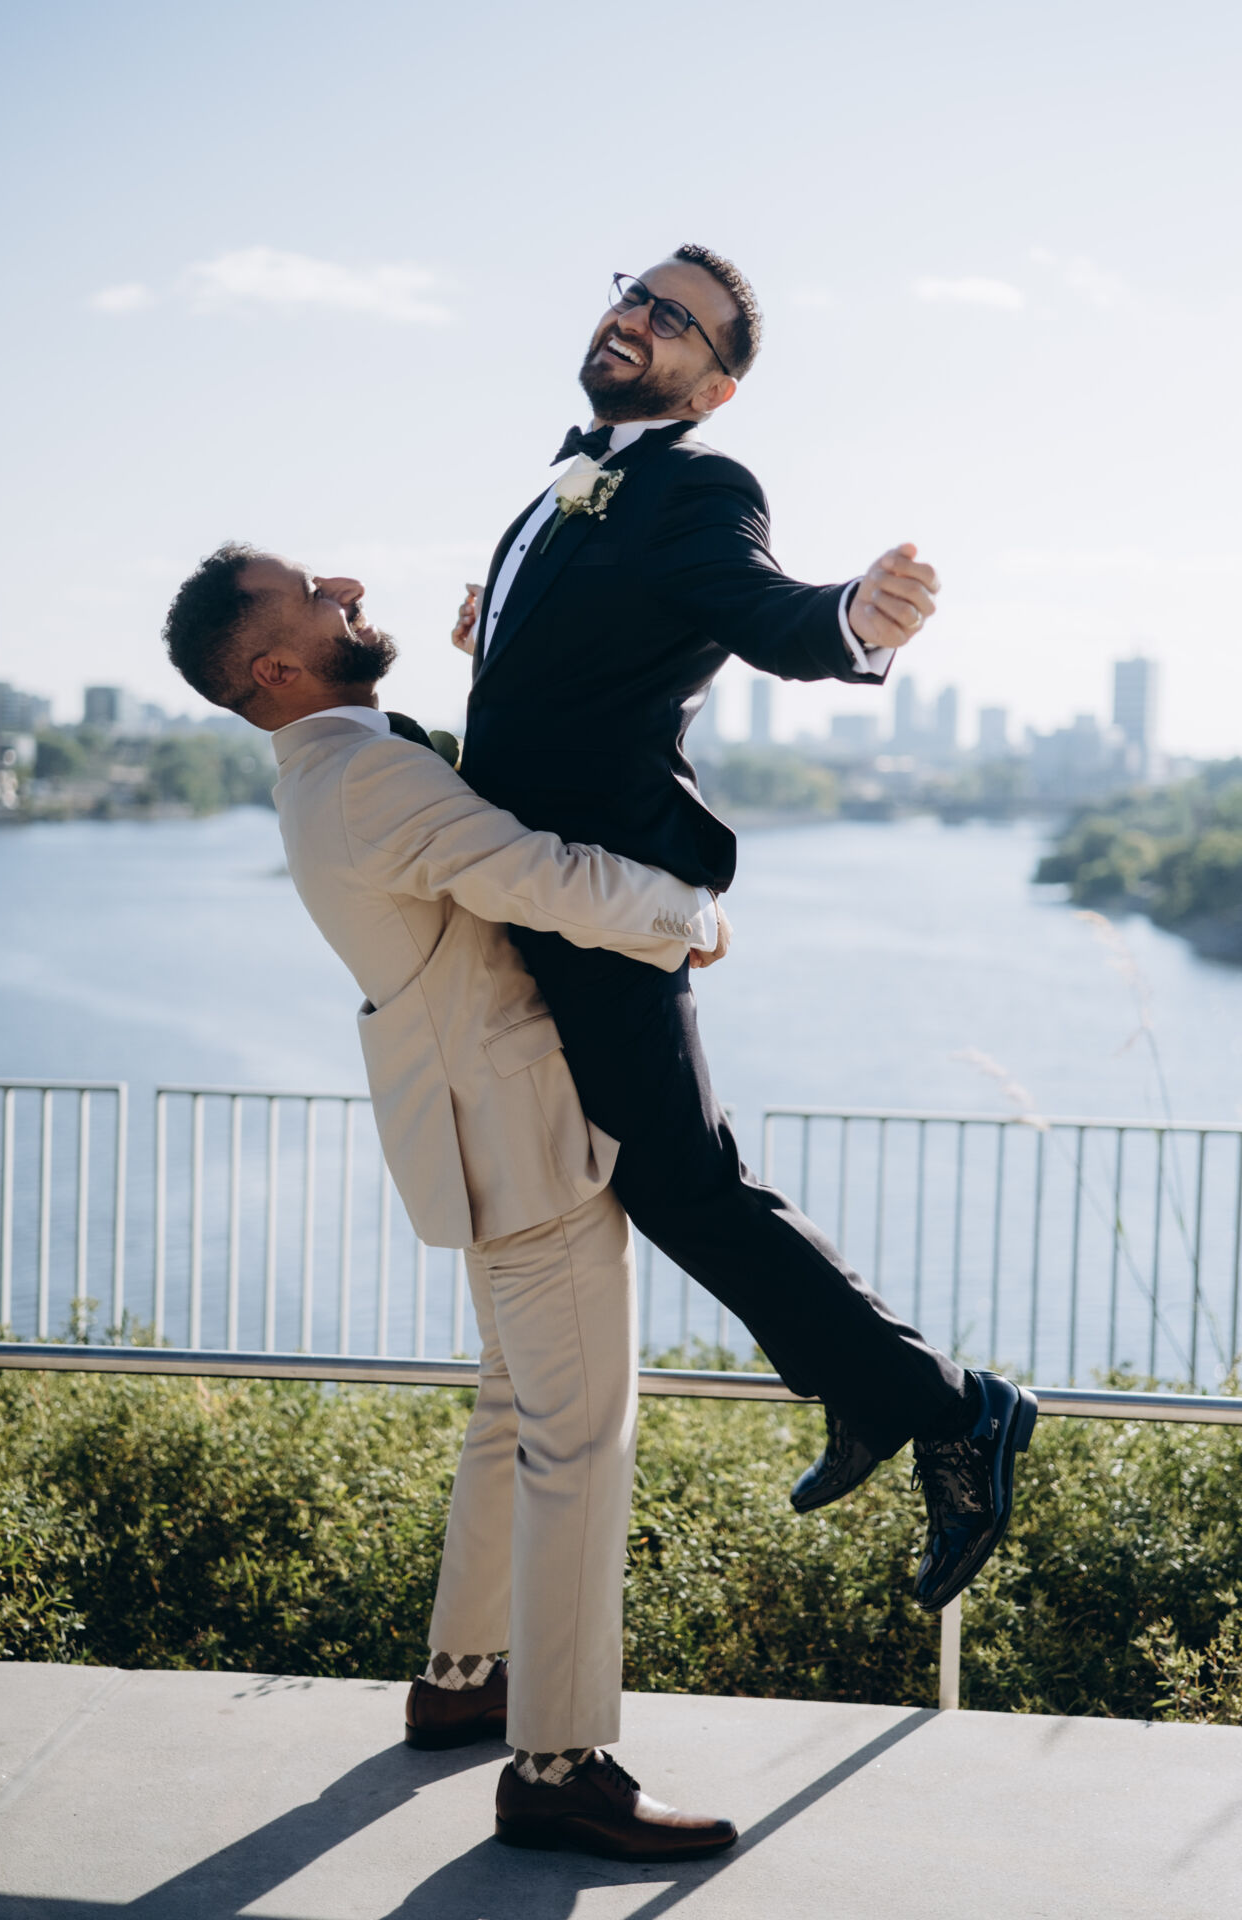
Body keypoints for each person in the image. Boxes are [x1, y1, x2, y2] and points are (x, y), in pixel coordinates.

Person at [456, 246, 1037, 1629]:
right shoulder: (570, 478)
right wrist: (496, 643)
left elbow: (764, 608)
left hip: (604, 892)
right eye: (635, 292)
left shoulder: (699, 485)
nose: (637, 318)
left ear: (713, 386)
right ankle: (880, 1394)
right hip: (545, 884)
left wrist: (852, 620)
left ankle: (954, 1409)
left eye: (676, 320)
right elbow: (585, 670)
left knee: (682, 1180)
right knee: (671, 1176)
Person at [161, 545, 738, 1862]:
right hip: (522, 1136)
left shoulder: (339, 767)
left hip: (477, 1129)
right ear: (275, 667)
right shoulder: (367, 777)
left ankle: (464, 1679)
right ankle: (557, 1765)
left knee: (515, 1411)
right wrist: (692, 917)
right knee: (578, 1441)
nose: (347, 589)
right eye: (314, 595)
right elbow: (536, 873)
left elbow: (472, 822)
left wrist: (503, 677)